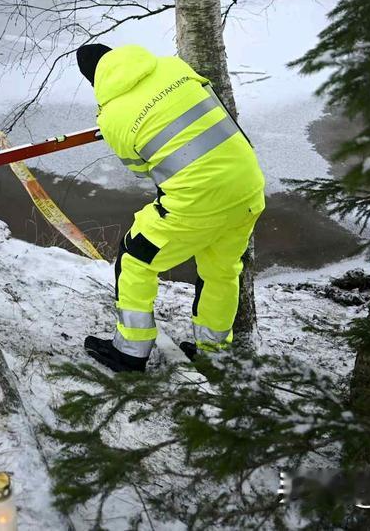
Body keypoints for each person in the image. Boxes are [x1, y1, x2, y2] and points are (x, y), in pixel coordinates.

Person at [77, 43, 265, 372]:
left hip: (194, 202)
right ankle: (214, 353)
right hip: (247, 185)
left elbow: (139, 168)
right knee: (221, 271)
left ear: (94, 80)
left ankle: (130, 352)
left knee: (135, 258)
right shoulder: (174, 67)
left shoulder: (111, 117)